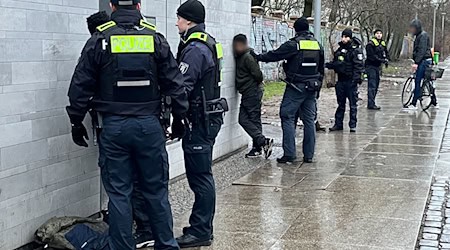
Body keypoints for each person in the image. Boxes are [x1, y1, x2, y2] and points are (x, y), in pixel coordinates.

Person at [66, 0, 189, 249]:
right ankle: (166, 244)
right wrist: (180, 118)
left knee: (119, 195)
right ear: (139, 4)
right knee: (156, 191)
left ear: (111, 5)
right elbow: (175, 84)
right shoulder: (155, 37)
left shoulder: (100, 39)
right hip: (149, 127)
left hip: (113, 127)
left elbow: (80, 86)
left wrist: (76, 121)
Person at [174, 0, 228, 247]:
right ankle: (203, 227)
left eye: (179, 19)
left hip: (200, 118)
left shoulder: (195, 48)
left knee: (200, 176)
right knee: (201, 174)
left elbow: (181, 87)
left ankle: (201, 231)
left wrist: (173, 113)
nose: (177, 23)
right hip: (208, 116)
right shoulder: (208, 41)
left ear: (189, 20)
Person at [254, 17, 325, 164]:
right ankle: (309, 155)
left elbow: (275, 55)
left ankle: (290, 154)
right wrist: (318, 89)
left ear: (296, 29)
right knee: (309, 121)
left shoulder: (294, 44)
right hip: (312, 87)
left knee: (287, 116)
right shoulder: (318, 45)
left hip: (296, 87)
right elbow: (321, 68)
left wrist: (258, 57)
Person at [233, 34, 274, 158]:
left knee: (248, 119)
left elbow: (258, 75)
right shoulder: (243, 56)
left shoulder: (247, 57)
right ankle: (261, 144)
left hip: (252, 92)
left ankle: (260, 145)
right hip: (248, 92)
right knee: (249, 120)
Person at [326, 28, 365, 133]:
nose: (344, 39)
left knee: (353, 104)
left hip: (351, 81)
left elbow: (358, 66)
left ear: (350, 37)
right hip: (341, 80)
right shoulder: (340, 50)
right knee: (340, 104)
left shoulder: (355, 50)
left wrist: (356, 80)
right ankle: (338, 124)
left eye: (346, 37)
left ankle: (352, 125)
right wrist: (327, 65)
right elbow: (336, 63)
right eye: (343, 37)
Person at [405, 19, 437, 110]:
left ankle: (414, 103)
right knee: (428, 81)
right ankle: (434, 101)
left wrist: (416, 62)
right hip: (426, 60)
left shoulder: (422, 36)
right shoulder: (421, 35)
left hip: (423, 61)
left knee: (418, 81)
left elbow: (421, 50)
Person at [366, 28, 389, 110]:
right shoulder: (370, 44)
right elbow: (371, 57)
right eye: (377, 33)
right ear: (374, 34)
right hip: (371, 66)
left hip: (377, 67)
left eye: (380, 33)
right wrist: (381, 60)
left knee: (376, 84)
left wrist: (386, 60)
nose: (379, 35)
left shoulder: (382, 43)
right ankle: (370, 103)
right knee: (372, 85)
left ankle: (372, 102)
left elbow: (385, 53)